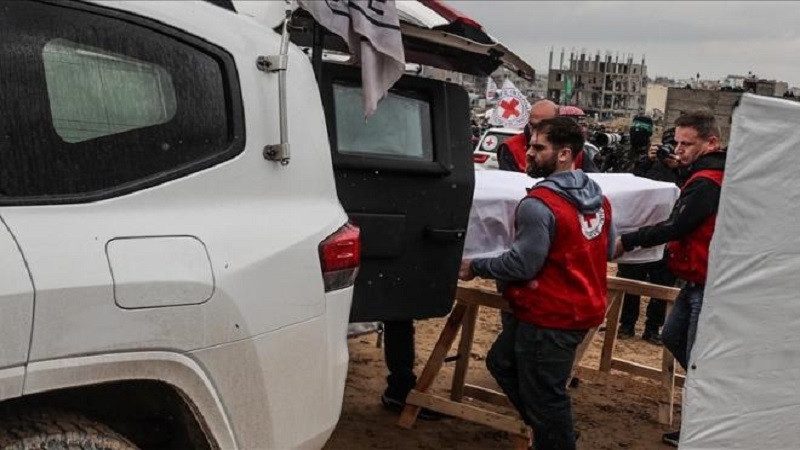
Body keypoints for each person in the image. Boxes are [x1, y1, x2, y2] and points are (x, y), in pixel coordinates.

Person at [460, 117, 615, 450]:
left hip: (551, 314)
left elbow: (523, 264)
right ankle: (551, 432)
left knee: (546, 396)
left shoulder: (539, 204)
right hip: (577, 307)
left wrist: (477, 265)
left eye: (538, 147)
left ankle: (554, 436)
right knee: (502, 363)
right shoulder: (599, 199)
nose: (528, 152)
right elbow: (610, 248)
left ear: (564, 154)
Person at [613, 110, 726, 447]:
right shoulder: (704, 174)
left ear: (711, 143)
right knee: (674, 338)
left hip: (707, 282)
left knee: (699, 360)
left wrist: (630, 240)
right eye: (676, 143)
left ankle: (702, 430)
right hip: (696, 280)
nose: (678, 150)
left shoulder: (707, 181)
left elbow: (679, 225)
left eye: (686, 144)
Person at [616, 127, 682, 344]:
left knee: (661, 287)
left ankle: (653, 328)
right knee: (630, 283)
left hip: (667, 234)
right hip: (639, 230)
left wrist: (678, 166)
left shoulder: (685, 169)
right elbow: (629, 183)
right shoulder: (647, 163)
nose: (669, 151)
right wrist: (647, 161)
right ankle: (626, 325)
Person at [497, 100, 559, 172]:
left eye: (543, 126)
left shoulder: (566, 146)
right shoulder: (512, 147)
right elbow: (508, 177)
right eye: (533, 125)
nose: (536, 131)